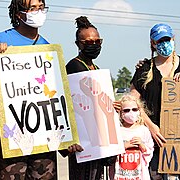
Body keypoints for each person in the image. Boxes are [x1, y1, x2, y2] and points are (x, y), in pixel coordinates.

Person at [0, 0, 58, 179]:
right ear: (19, 14)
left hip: (42, 134)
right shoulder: (0, 39)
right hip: (10, 133)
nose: (39, 11)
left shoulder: (47, 46)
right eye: (33, 8)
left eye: (41, 7)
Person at [130, 23, 180, 180]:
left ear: (173, 39)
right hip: (151, 141)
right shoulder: (144, 69)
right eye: (159, 41)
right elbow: (132, 102)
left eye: (167, 39)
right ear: (153, 43)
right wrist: (151, 127)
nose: (165, 44)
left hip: (177, 143)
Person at [64, 16, 116, 180]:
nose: (93, 45)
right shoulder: (74, 66)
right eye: (88, 42)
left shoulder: (96, 68)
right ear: (78, 44)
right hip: (84, 142)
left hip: (97, 139)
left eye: (97, 41)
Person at [110, 94, 154, 179]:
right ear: (121, 113)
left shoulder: (143, 130)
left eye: (134, 109)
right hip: (120, 175)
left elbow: (150, 151)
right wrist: (124, 146)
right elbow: (109, 152)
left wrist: (142, 145)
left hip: (139, 175)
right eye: (126, 110)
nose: (131, 112)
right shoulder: (117, 130)